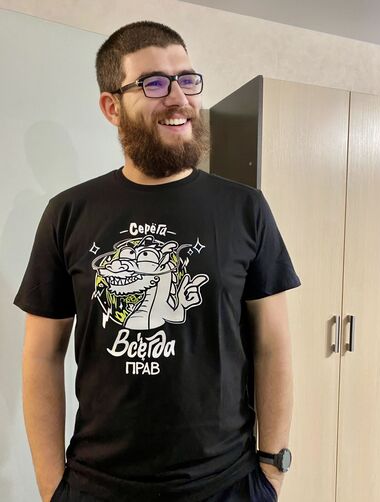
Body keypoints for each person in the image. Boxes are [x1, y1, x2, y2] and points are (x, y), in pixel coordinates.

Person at [14, 20, 301, 502]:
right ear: (112, 107)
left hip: (228, 485)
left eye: (187, 79)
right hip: (97, 486)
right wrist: (51, 486)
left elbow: (273, 346)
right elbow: (42, 355)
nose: (178, 97)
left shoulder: (245, 209)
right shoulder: (68, 212)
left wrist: (272, 468)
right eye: (153, 83)